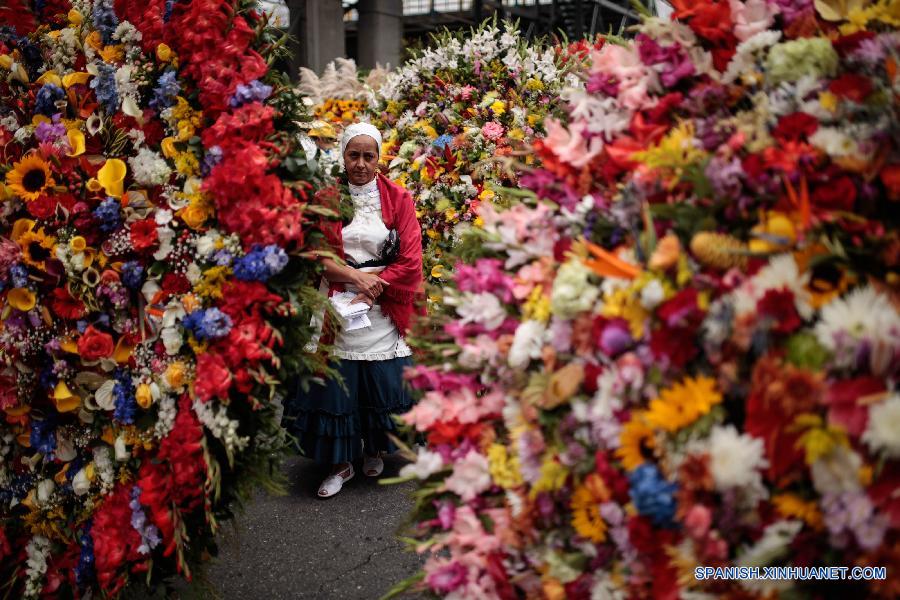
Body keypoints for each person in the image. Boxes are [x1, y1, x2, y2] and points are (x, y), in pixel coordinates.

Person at [288, 123, 423, 498]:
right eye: (354, 155)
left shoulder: (399, 198)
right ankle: (340, 463)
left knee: (380, 382)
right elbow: (314, 254)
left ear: (379, 158)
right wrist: (352, 278)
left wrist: (372, 287)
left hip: (383, 305)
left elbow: (411, 260)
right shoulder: (326, 197)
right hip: (336, 301)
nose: (361, 163)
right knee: (337, 386)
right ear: (343, 156)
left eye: (369, 156)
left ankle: (375, 448)